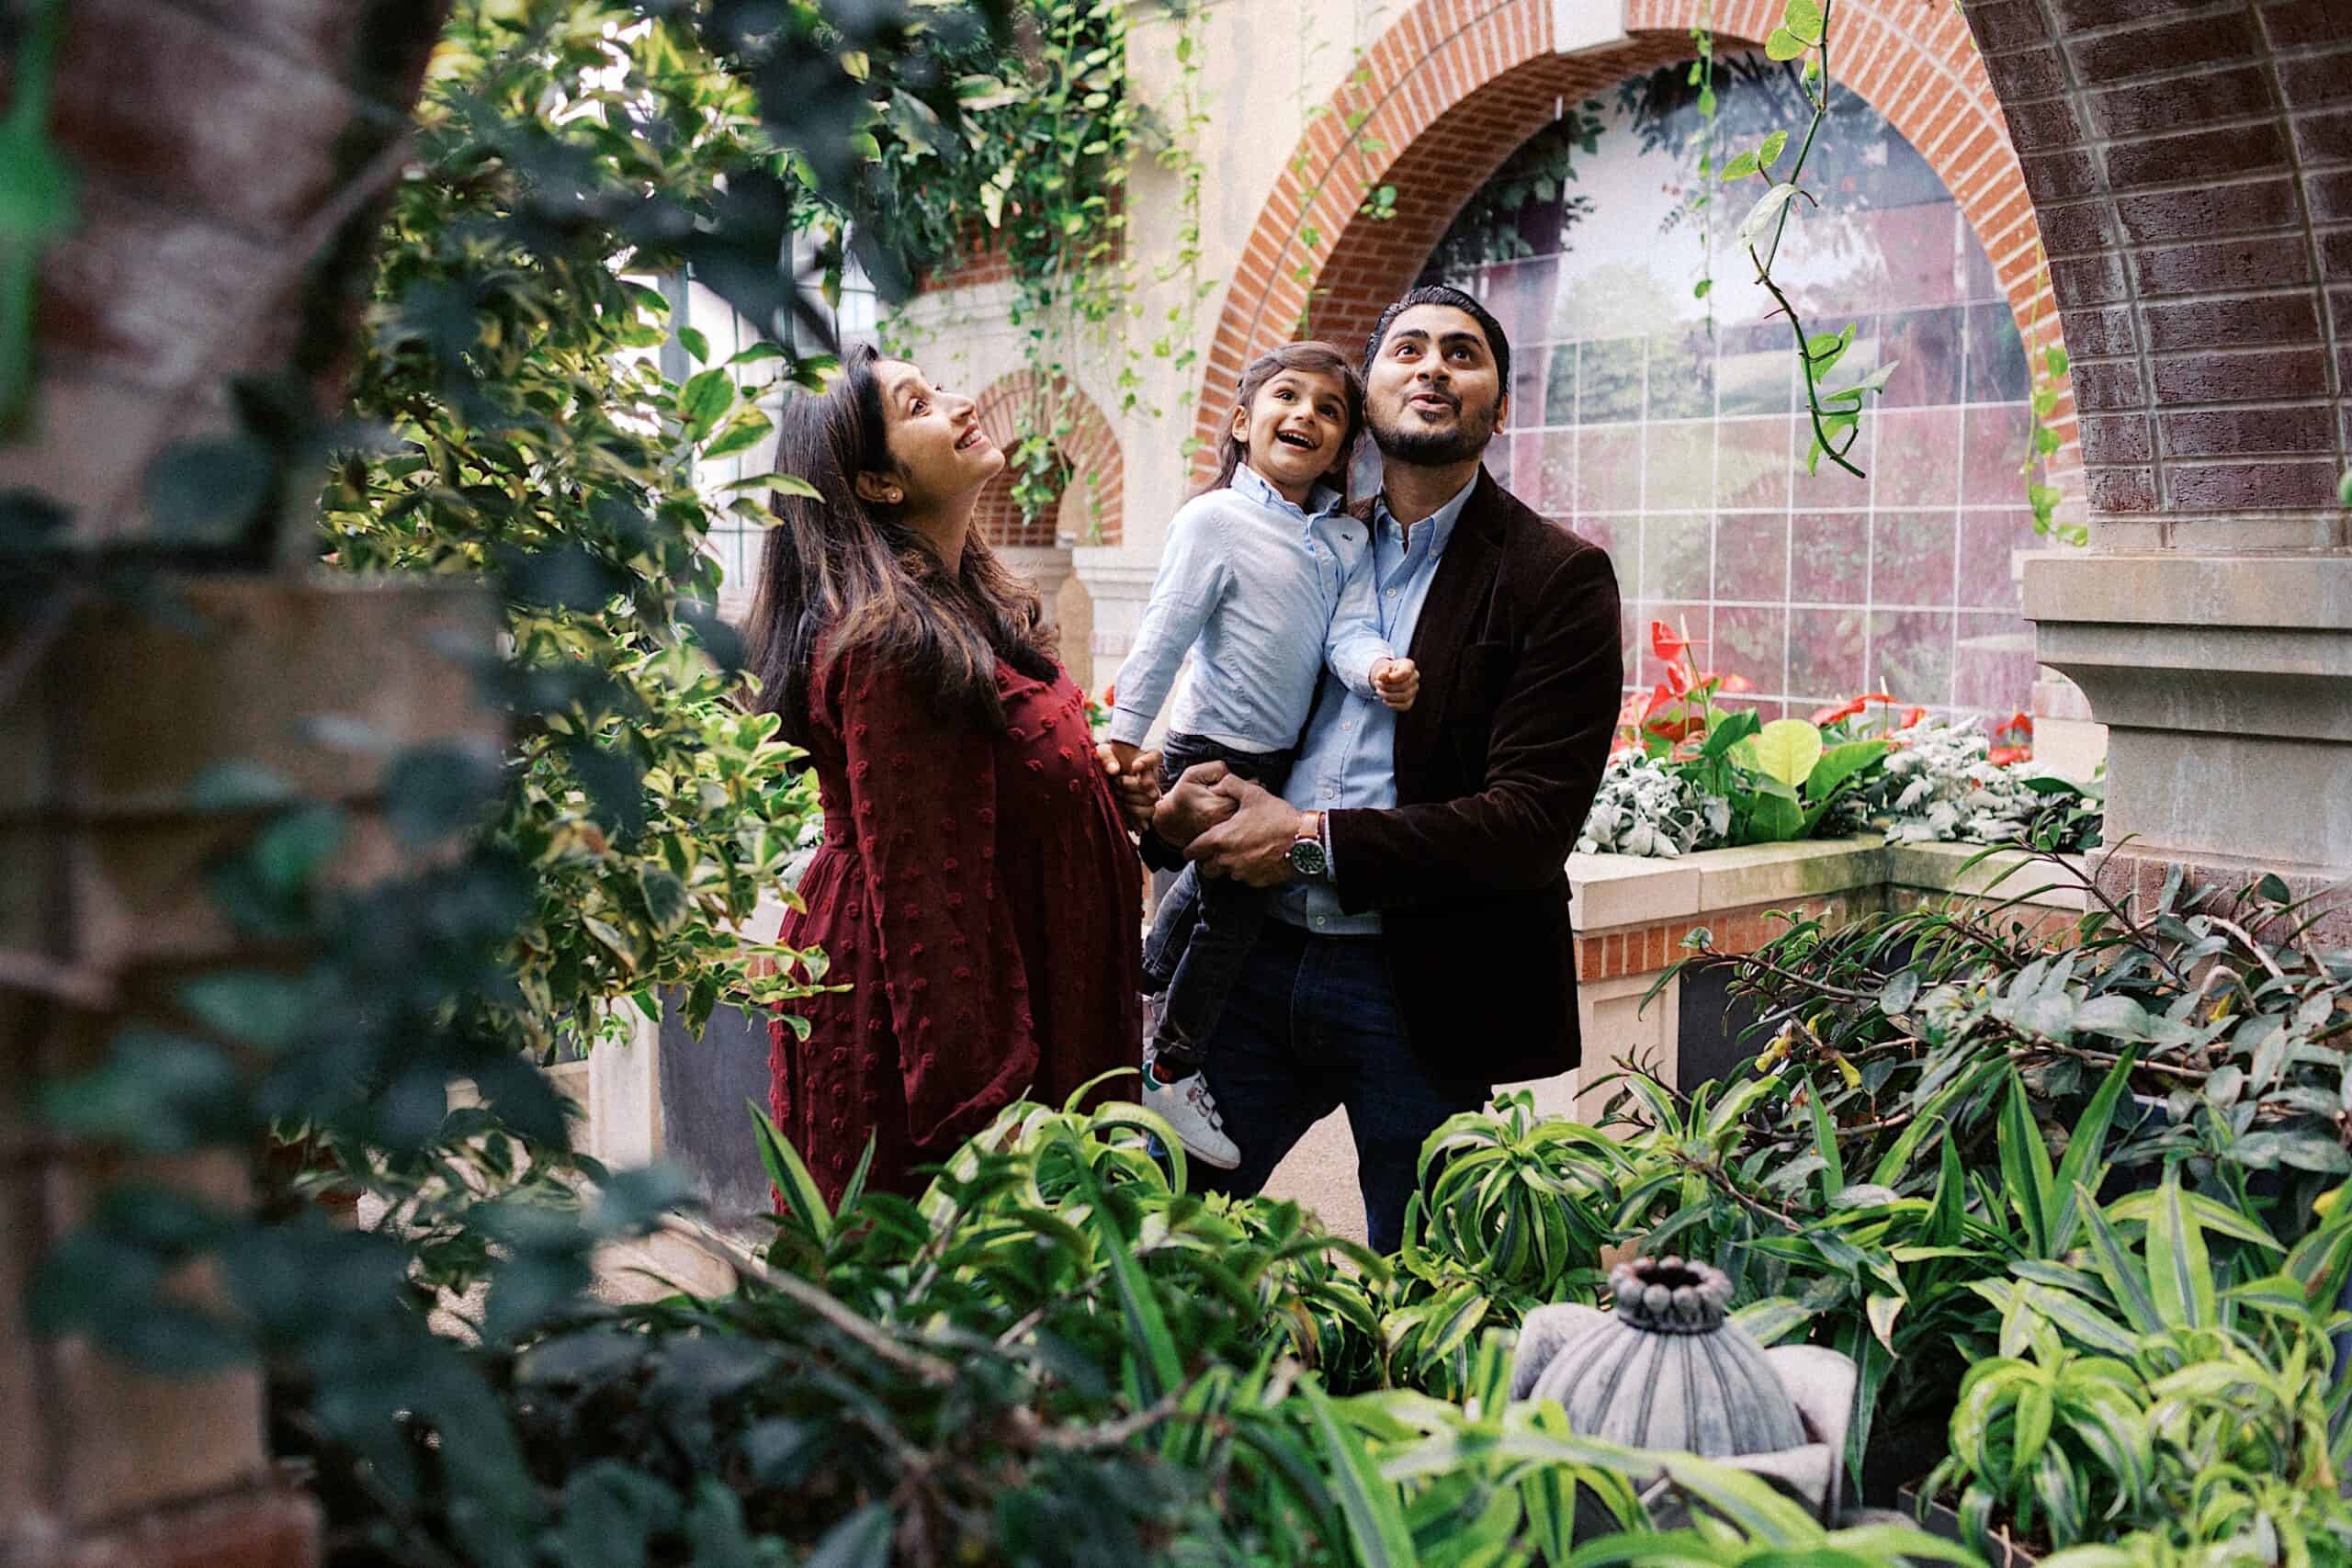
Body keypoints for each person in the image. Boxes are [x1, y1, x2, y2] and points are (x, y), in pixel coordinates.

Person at [1150, 284, 1623, 1253]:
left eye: (1462, 353)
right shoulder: (1310, 542)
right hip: (1250, 966)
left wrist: (1308, 847)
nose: (1433, 367)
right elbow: (1221, 709)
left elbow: (1529, 825)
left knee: (1428, 1286)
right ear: (1366, 393)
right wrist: (1167, 801)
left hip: (1417, 989)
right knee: (1155, 1239)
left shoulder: (1554, 576)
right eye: (1406, 349)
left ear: (1498, 405)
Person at [745, 344, 1150, 1202]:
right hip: (930, 1015)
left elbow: (1001, 783)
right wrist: (986, 1113)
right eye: (920, 405)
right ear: (880, 484)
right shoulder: (892, 640)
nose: (963, 404)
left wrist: (1097, 780)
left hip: (1023, 976)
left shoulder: (963, 596)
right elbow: (928, 900)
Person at [1102, 343, 1419, 1170]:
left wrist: (1377, 669)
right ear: (1243, 422)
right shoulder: (1214, 521)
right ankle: (1170, 1066)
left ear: (1346, 444)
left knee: (1206, 899)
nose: (1305, 415)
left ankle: (1133, 1004)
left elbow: (1348, 632)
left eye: (1329, 409)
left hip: (1277, 763)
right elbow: (1164, 635)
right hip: (1208, 750)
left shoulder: (1346, 540)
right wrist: (1125, 744)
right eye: (1287, 396)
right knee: (1231, 923)